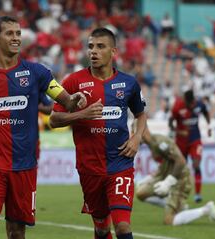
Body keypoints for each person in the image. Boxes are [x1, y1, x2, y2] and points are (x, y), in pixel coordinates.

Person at [0, 16, 86, 239]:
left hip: (24, 165)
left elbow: (65, 100)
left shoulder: (38, 72)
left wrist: (74, 99)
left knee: (16, 233)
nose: (16, 38)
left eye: (18, 33)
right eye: (10, 33)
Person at [49, 28, 147, 239]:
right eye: (91, 46)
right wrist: (82, 114)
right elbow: (54, 120)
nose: (93, 51)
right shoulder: (73, 82)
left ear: (113, 52)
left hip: (120, 163)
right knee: (102, 228)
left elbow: (141, 114)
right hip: (89, 167)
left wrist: (137, 137)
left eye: (100, 47)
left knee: (122, 227)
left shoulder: (129, 83)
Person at [135, 126, 215, 226]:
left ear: (142, 130)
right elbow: (165, 163)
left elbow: (180, 161)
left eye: (134, 132)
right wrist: (151, 177)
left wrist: (168, 182)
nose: (133, 136)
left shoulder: (159, 142)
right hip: (167, 176)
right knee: (140, 193)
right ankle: (179, 206)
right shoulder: (151, 144)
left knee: (169, 221)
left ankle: (206, 210)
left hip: (180, 179)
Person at [168, 89, 211, 203]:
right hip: (181, 142)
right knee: (181, 168)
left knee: (196, 165)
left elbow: (206, 112)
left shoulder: (199, 104)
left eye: (193, 103)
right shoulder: (177, 107)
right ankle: (177, 192)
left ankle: (197, 194)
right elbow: (170, 123)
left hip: (195, 140)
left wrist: (209, 125)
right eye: (190, 103)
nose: (192, 105)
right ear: (185, 100)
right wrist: (179, 132)